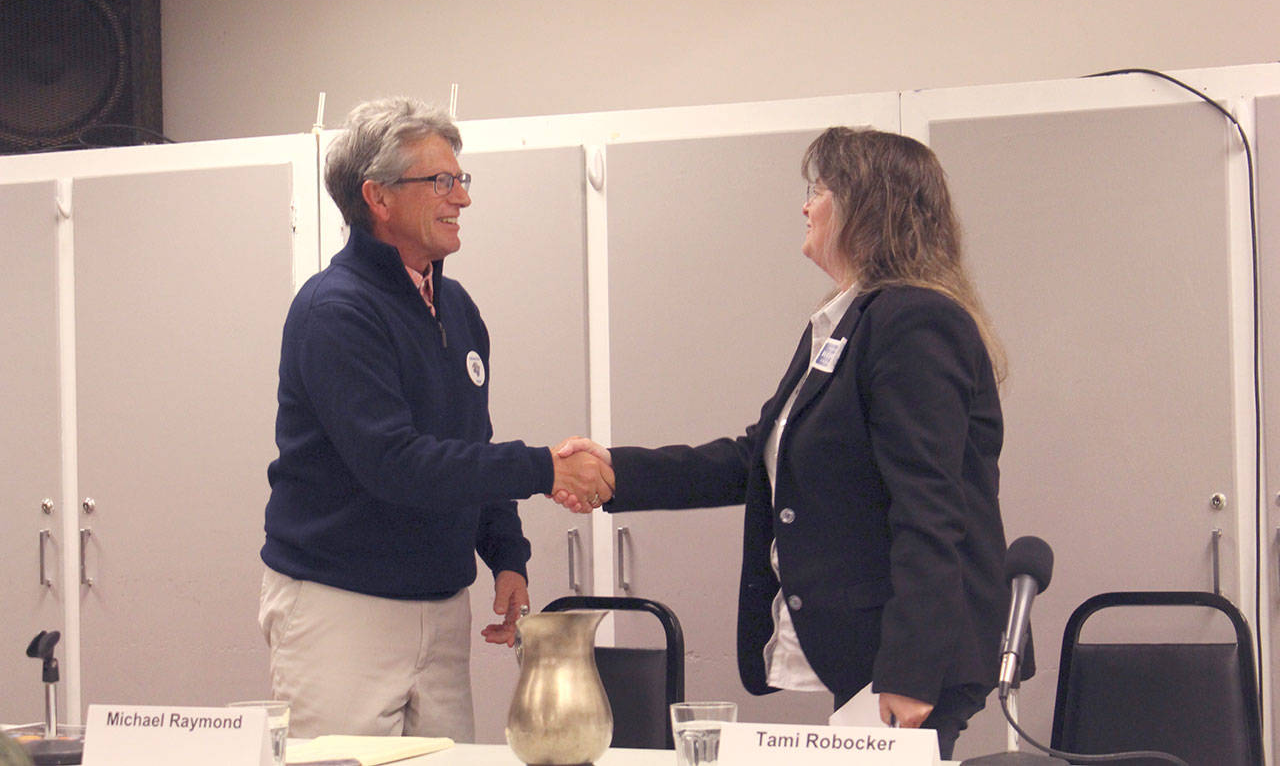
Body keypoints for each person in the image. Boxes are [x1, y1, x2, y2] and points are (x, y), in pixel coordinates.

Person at [558, 127, 1011, 759]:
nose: (805, 205)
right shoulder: (849, 321)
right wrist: (618, 474)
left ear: (864, 206)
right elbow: (760, 458)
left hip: (911, 655)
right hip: (873, 648)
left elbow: (931, 507)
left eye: (818, 190)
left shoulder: (914, 321)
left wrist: (910, 669)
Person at [258, 97, 613, 741]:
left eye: (461, 180)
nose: (462, 199)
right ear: (379, 198)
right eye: (442, 182)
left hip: (443, 607)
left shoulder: (456, 307)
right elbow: (396, 465)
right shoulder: (335, 310)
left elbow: (469, 445)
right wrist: (545, 468)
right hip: (343, 608)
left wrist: (506, 554)